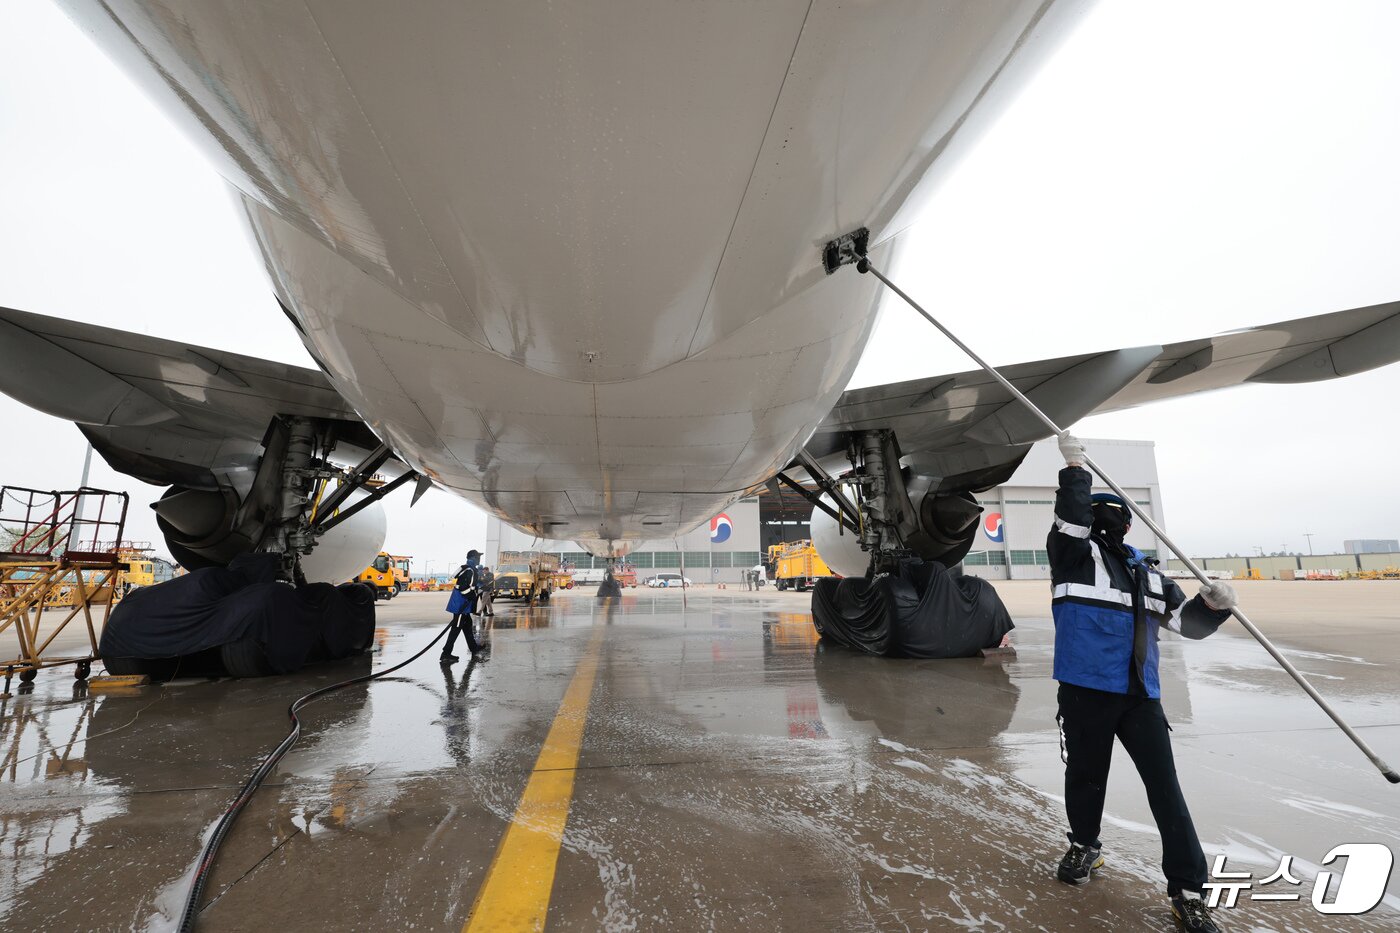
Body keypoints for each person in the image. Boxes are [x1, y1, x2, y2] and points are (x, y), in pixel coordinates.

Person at [1049, 434, 1237, 933]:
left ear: (1129, 524)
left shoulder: (1150, 576)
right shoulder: (1071, 554)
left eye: (1115, 514)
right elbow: (1070, 518)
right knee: (1086, 779)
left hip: (1140, 697)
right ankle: (1084, 846)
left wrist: (1215, 605)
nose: (1109, 519)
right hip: (1085, 690)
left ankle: (1189, 891)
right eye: (1099, 511)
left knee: (1166, 791)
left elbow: (1188, 625)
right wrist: (1074, 469)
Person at [441, 550, 485, 663]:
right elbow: (462, 587)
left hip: (464, 606)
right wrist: (471, 595)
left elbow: (470, 586)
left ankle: (474, 648)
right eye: (477, 556)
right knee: (455, 629)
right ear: (472, 557)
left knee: (467, 626)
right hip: (461, 606)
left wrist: (478, 589)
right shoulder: (469, 570)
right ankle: (446, 653)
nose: (479, 559)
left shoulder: (469, 569)